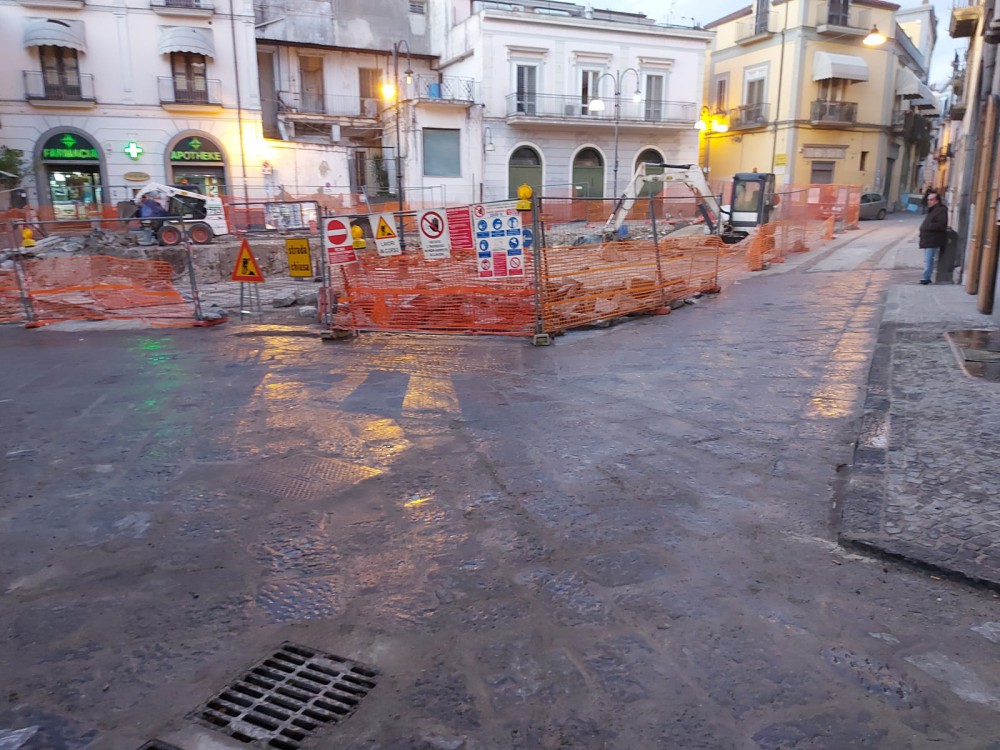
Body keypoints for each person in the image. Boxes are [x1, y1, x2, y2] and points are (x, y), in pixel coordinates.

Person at [918, 190, 948, 285]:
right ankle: (926, 277)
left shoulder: (941, 210)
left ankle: (926, 278)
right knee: (927, 259)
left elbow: (941, 225)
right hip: (928, 239)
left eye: (931, 200)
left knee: (928, 260)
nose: (929, 201)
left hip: (933, 239)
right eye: (928, 200)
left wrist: (927, 227)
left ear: (937, 201)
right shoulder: (932, 209)